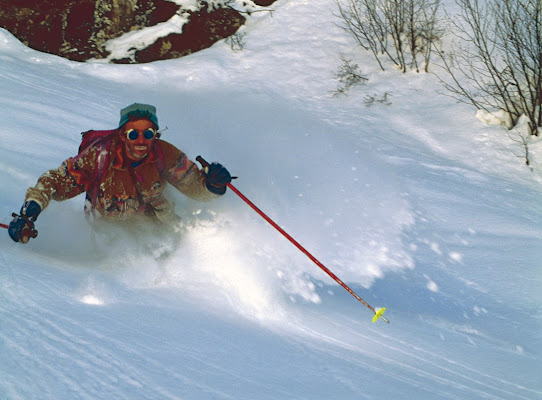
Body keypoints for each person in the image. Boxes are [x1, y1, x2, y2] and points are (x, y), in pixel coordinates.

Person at [8, 103, 232, 243]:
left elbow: (195, 188)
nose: (142, 141)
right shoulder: (98, 158)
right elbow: (54, 183)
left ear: (156, 134)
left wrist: (214, 185)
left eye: (149, 133)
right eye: (134, 134)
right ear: (122, 135)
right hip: (109, 237)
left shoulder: (165, 153)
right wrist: (29, 214)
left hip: (158, 229)